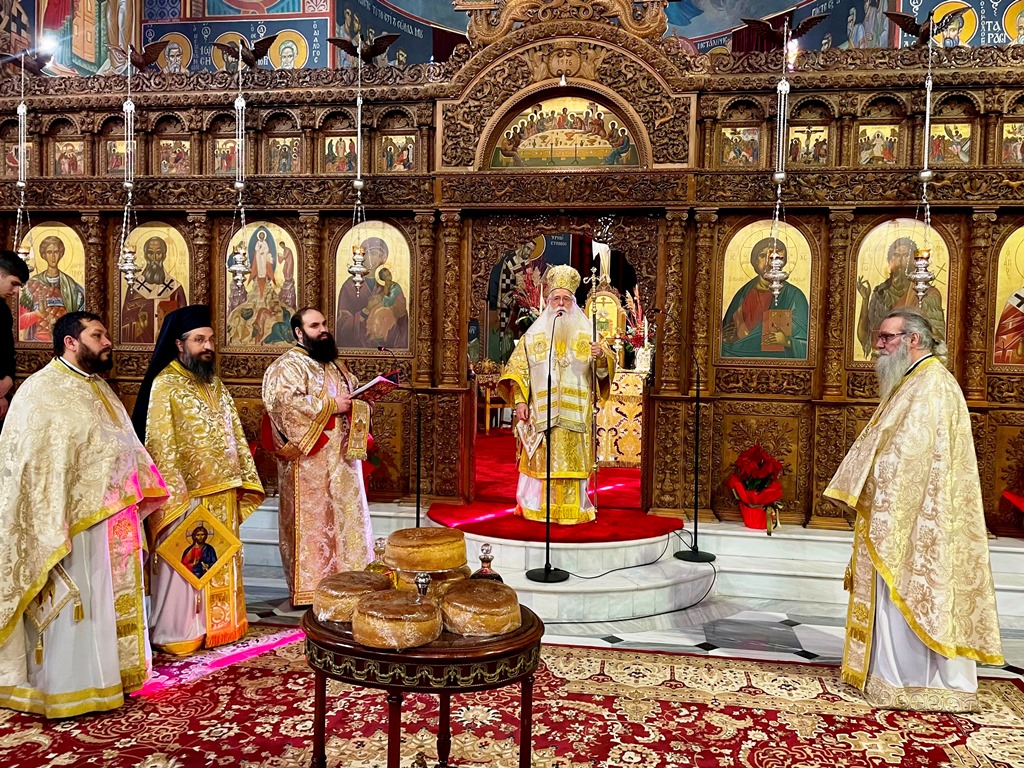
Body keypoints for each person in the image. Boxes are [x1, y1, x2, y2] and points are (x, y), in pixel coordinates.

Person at [824, 309, 1003, 712]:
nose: (878, 346)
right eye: (879, 337)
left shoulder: (932, 385)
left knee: (915, 589)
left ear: (913, 340)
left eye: (886, 337)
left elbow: (910, 455)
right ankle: (889, 677)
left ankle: (912, 683)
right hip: (909, 508)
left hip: (919, 515)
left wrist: (871, 482)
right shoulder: (914, 381)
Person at [0, 311, 168, 717]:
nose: (107, 341)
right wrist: (57, 513)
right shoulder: (40, 391)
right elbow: (28, 464)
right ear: (70, 342)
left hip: (113, 521)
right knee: (81, 605)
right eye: (97, 335)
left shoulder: (100, 388)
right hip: (71, 525)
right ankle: (71, 687)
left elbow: (124, 444)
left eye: (106, 334)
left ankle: (112, 678)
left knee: (107, 606)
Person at [132, 305, 264, 655]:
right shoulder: (165, 384)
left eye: (210, 339)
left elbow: (233, 433)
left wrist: (241, 477)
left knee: (221, 559)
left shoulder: (213, 382)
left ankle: (222, 626)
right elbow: (159, 443)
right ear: (179, 344)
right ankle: (179, 631)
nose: (208, 346)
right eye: (199, 340)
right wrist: (174, 497)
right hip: (187, 495)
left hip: (223, 490)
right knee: (184, 565)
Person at [261, 308, 373, 605]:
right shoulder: (287, 366)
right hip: (309, 463)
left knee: (345, 522)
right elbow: (282, 404)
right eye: (314, 325)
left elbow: (351, 394)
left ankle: (350, 582)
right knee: (315, 525)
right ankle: (312, 587)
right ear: (299, 332)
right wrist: (331, 405)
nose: (323, 330)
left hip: (343, 462)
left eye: (324, 324)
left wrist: (363, 400)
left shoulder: (335, 363)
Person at [497, 265, 614, 525]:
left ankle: (575, 508)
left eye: (566, 299)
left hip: (576, 413)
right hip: (542, 413)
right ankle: (536, 506)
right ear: (548, 301)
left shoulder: (589, 334)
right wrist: (520, 401)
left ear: (574, 302)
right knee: (542, 462)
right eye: (556, 298)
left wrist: (601, 357)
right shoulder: (534, 335)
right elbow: (518, 370)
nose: (561, 304)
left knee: (572, 462)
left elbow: (603, 374)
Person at [721, 238, 809, 359]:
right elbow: (725, 334)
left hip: (778, 362)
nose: (770, 262)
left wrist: (788, 341)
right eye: (763, 256)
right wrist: (725, 339)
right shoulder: (743, 293)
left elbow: (809, 346)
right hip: (737, 360)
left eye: (777, 258)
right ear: (754, 261)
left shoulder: (794, 296)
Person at [856, 236, 944, 357]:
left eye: (906, 255)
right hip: (880, 360)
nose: (901, 260)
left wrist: (920, 324)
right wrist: (865, 300)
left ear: (914, 261)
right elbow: (865, 337)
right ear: (889, 261)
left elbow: (938, 341)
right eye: (896, 255)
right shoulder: (880, 293)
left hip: (909, 361)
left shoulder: (928, 295)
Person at [121, 236, 188, 344]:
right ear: (145, 256)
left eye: (159, 253)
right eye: (150, 253)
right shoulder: (134, 286)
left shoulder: (175, 288)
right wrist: (139, 325)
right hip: (140, 344)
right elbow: (125, 321)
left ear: (164, 256)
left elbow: (184, 322)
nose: (154, 258)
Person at [18, 235, 86, 342]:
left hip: (65, 341)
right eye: (49, 252)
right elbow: (20, 322)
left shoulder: (71, 286)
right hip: (36, 342)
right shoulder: (32, 285)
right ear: (43, 255)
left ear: (61, 254)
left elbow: (82, 319)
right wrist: (39, 313)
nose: (53, 256)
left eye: (56, 252)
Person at [336, 236, 389, 347]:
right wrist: (366, 310)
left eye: (375, 254)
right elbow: (342, 325)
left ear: (383, 258)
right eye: (368, 254)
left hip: (384, 347)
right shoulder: (349, 286)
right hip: (355, 346)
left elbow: (401, 321)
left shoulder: (389, 285)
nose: (369, 258)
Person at [0, 251, 29, 428]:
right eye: (14, 284)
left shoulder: (3, 311)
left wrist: (8, 379)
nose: (16, 291)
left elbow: (7, 351)